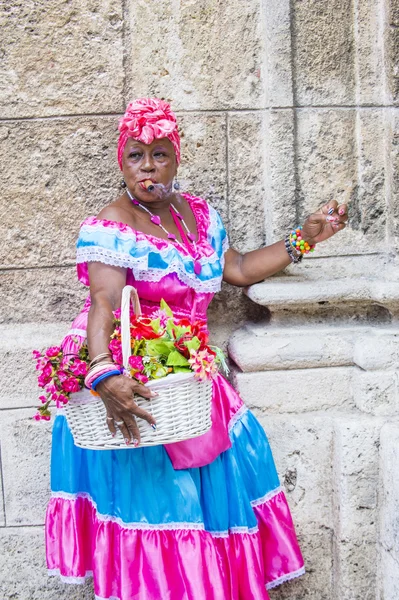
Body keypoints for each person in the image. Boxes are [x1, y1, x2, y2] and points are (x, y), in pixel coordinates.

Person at [46, 98, 348, 600]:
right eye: (136, 156)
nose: (148, 167)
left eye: (159, 154)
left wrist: (305, 238)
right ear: (122, 163)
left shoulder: (200, 214)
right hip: (140, 382)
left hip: (192, 379)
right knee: (162, 508)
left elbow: (240, 270)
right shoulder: (111, 225)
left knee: (206, 505)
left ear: (176, 157)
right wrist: (102, 375)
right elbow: (102, 305)